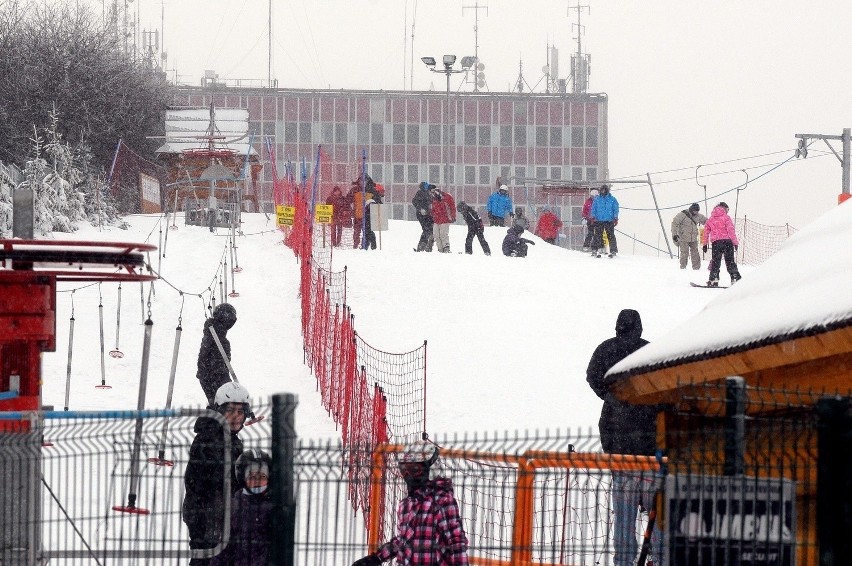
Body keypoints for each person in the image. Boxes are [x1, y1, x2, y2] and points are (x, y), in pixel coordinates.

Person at [585, 310, 662, 566]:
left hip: (622, 458)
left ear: (618, 326)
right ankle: (659, 558)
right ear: (639, 327)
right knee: (658, 517)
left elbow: (592, 376)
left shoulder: (607, 350)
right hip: (652, 458)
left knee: (624, 521)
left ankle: (624, 562)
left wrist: (608, 395)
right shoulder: (650, 351)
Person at [350, 440, 469, 566]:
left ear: (431, 469)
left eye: (414, 469)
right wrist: (377, 558)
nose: (408, 475)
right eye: (404, 469)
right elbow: (402, 541)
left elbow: (456, 542)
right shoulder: (406, 505)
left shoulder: (442, 501)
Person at [183, 382, 251, 565]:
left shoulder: (228, 437)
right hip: (207, 516)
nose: (236, 417)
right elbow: (213, 480)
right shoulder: (211, 438)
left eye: (240, 412)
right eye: (230, 411)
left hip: (219, 515)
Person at [211, 449, 274, 566]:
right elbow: (225, 546)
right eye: (252, 476)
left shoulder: (274, 505)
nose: (257, 481)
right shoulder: (235, 505)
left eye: (262, 476)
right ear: (242, 478)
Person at [196, 303, 238, 407]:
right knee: (224, 405)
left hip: (214, 374)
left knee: (220, 405)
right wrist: (213, 374)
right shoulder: (214, 332)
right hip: (214, 375)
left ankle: (218, 419)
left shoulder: (216, 332)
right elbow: (204, 354)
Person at [702, 201, 742, 286]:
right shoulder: (726, 218)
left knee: (716, 261)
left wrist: (705, 244)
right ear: (724, 208)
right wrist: (735, 243)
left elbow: (706, 232)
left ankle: (714, 279)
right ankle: (734, 277)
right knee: (730, 261)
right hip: (727, 242)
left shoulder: (710, 219)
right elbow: (731, 231)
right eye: (727, 209)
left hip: (716, 243)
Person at [671, 203, 707, 270]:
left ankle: (696, 269)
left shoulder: (698, 216)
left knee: (695, 254)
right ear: (691, 209)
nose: (696, 212)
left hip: (694, 238)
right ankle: (683, 268)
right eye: (695, 211)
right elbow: (674, 223)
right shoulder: (682, 215)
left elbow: (706, 221)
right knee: (684, 253)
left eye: (697, 211)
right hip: (683, 238)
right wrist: (674, 234)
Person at [590, 184, 619, 258]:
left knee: (611, 235)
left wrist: (615, 218)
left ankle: (613, 250)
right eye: (602, 190)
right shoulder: (597, 199)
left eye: (604, 190)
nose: (603, 192)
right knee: (597, 235)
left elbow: (615, 209)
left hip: (609, 220)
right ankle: (594, 250)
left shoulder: (612, 199)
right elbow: (593, 208)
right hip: (599, 220)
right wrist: (593, 217)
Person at [431, 188, 456, 253]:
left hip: (445, 219)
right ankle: (440, 249)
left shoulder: (447, 197)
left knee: (443, 234)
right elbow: (433, 209)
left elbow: (452, 207)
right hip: (436, 220)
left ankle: (446, 248)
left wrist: (453, 216)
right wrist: (433, 216)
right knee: (436, 235)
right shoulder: (434, 199)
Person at [412, 181, 436, 252]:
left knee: (431, 230)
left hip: (428, 214)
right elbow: (414, 201)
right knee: (427, 230)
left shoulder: (429, 193)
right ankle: (422, 245)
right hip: (422, 215)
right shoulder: (420, 193)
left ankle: (427, 245)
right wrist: (420, 209)